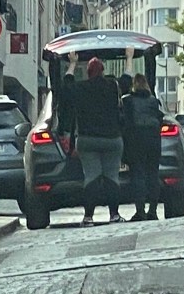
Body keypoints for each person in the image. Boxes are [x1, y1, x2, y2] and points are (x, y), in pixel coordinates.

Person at [63, 52, 125, 226]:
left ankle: (88, 217)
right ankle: (114, 214)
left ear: (88, 72)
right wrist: (128, 58)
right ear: (103, 71)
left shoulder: (81, 88)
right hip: (112, 139)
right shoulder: (112, 86)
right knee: (112, 177)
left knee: (91, 177)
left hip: (87, 139)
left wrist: (73, 63)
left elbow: (66, 86)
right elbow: (127, 81)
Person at [122, 73, 164, 222]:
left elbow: (124, 120)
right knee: (153, 174)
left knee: (138, 174)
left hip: (136, 140)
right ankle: (153, 210)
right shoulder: (153, 101)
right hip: (153, 140)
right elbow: (159, 118)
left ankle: (140, 211)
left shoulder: (127, 100)